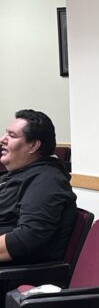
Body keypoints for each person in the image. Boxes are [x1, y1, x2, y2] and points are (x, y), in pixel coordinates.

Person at [0, 109, 77, 266]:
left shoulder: (46, 181)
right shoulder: (18, 174)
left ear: (34, 145)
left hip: (15, 275)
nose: (2, 139)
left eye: (12, 136)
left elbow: (28, 235)